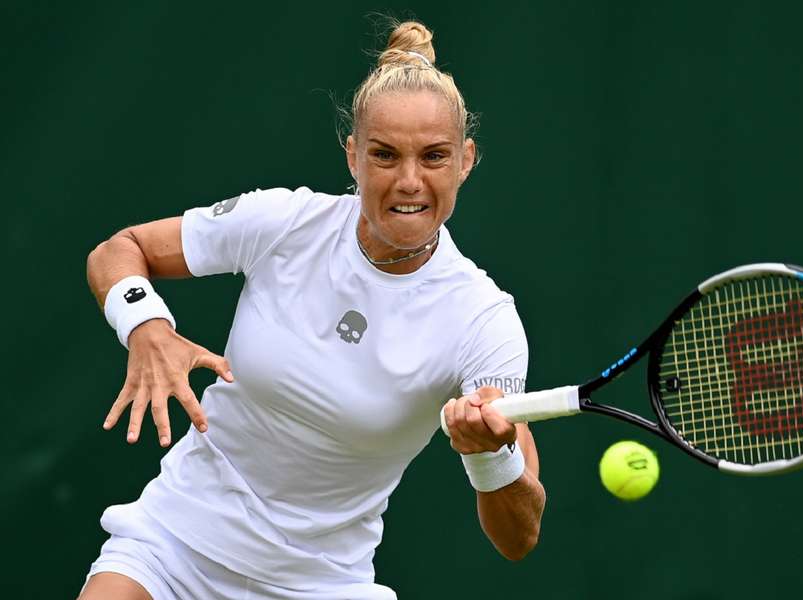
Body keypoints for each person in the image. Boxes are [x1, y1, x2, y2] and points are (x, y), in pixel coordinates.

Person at [80, 20, 546, 600]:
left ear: (465, 161)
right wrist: (146, 326)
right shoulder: (284, 223)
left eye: (433, 157)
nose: (409, 181)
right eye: (384, 154)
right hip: (173, 546)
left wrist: (490, 456)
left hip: (322, 586)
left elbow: (519, 535)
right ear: (352, 155)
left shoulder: (484, 320)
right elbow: (118, 250)